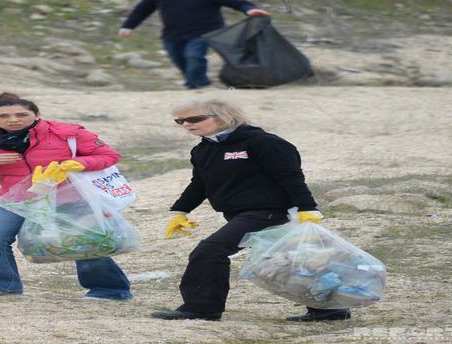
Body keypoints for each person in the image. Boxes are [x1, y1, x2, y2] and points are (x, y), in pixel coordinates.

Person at [150, 99, 351, 322]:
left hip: (270, 212)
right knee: (293, 260)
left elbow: (290, 177)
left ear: (223, 117)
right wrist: (180, 211)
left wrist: (307, 208)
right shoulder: (203, 149)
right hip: (238, 214)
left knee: (210, 251)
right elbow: (199, 184)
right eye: (180, 121)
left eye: (194, 118)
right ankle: (329, 309)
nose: (187, 124)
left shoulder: (263, 143)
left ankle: (201, 308)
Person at [0, 92, 132, 300]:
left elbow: (109, 155)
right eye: (3, 116)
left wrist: (79, 163)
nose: (13, 120)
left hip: (68, 197)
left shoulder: (66, 133)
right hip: (16, 199)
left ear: (37, 114)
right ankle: (2, 283)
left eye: (21, 114)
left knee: (86, 242)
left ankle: (110, 289)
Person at [119, 0, 269, 89]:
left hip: (205, 32)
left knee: (194, 56)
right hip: (172, 34)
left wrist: (249, 10)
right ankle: (196, 84)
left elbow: (236, 2)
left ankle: (198, 85)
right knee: (180, 61)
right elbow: (142, 10)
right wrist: (128, 26)